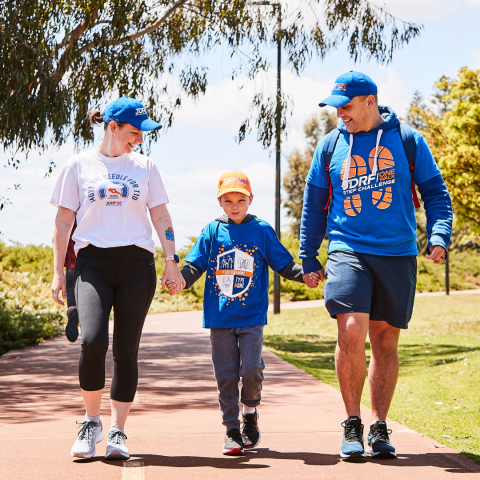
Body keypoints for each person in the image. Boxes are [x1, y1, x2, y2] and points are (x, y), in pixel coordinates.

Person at [299, 71, 453, 460]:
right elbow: (314, 204)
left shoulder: (408, 141)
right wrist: (308, 254)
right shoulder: (330, 146)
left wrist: (438, 235)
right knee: (351, 330)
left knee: (385, 341)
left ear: (371, 102)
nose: (340, 114)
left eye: (346, 106)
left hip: (397, 253)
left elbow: (436, 193)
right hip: (347, 249)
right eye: (336, 107)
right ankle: (352, 423)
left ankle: (379, 425)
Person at [50, 96, 184, 460]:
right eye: (133, 132)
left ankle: (118, 431)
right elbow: (63, 223)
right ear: (112, 127)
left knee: (126, 349)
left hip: (137, 266)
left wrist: (171, 260)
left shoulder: (146, 167)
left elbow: (161, 217)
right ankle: (90, 421)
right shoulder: (78, 166)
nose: (138, 139)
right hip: (91, 264)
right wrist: (57, 273)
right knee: (92, 340)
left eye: (141, 133)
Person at [167, 171, 318, 456]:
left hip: (251, 317)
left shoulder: (261, 230)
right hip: (219, 318)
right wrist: (181, 281)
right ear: (220, 202)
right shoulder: (212, 230)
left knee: (251, 370)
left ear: (250, 199)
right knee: (225, 375)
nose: (234, 205)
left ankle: (249, 411)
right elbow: (195, 265)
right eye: (228, 200)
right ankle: (231, 430)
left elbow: (283, 263)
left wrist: (305, 276)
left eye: (240, 199)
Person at [65, 220, 79, 342]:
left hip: (71, 263)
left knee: (70, 287)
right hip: (90, 262)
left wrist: (57, 271)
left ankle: (72, 309)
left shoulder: (69, 214)